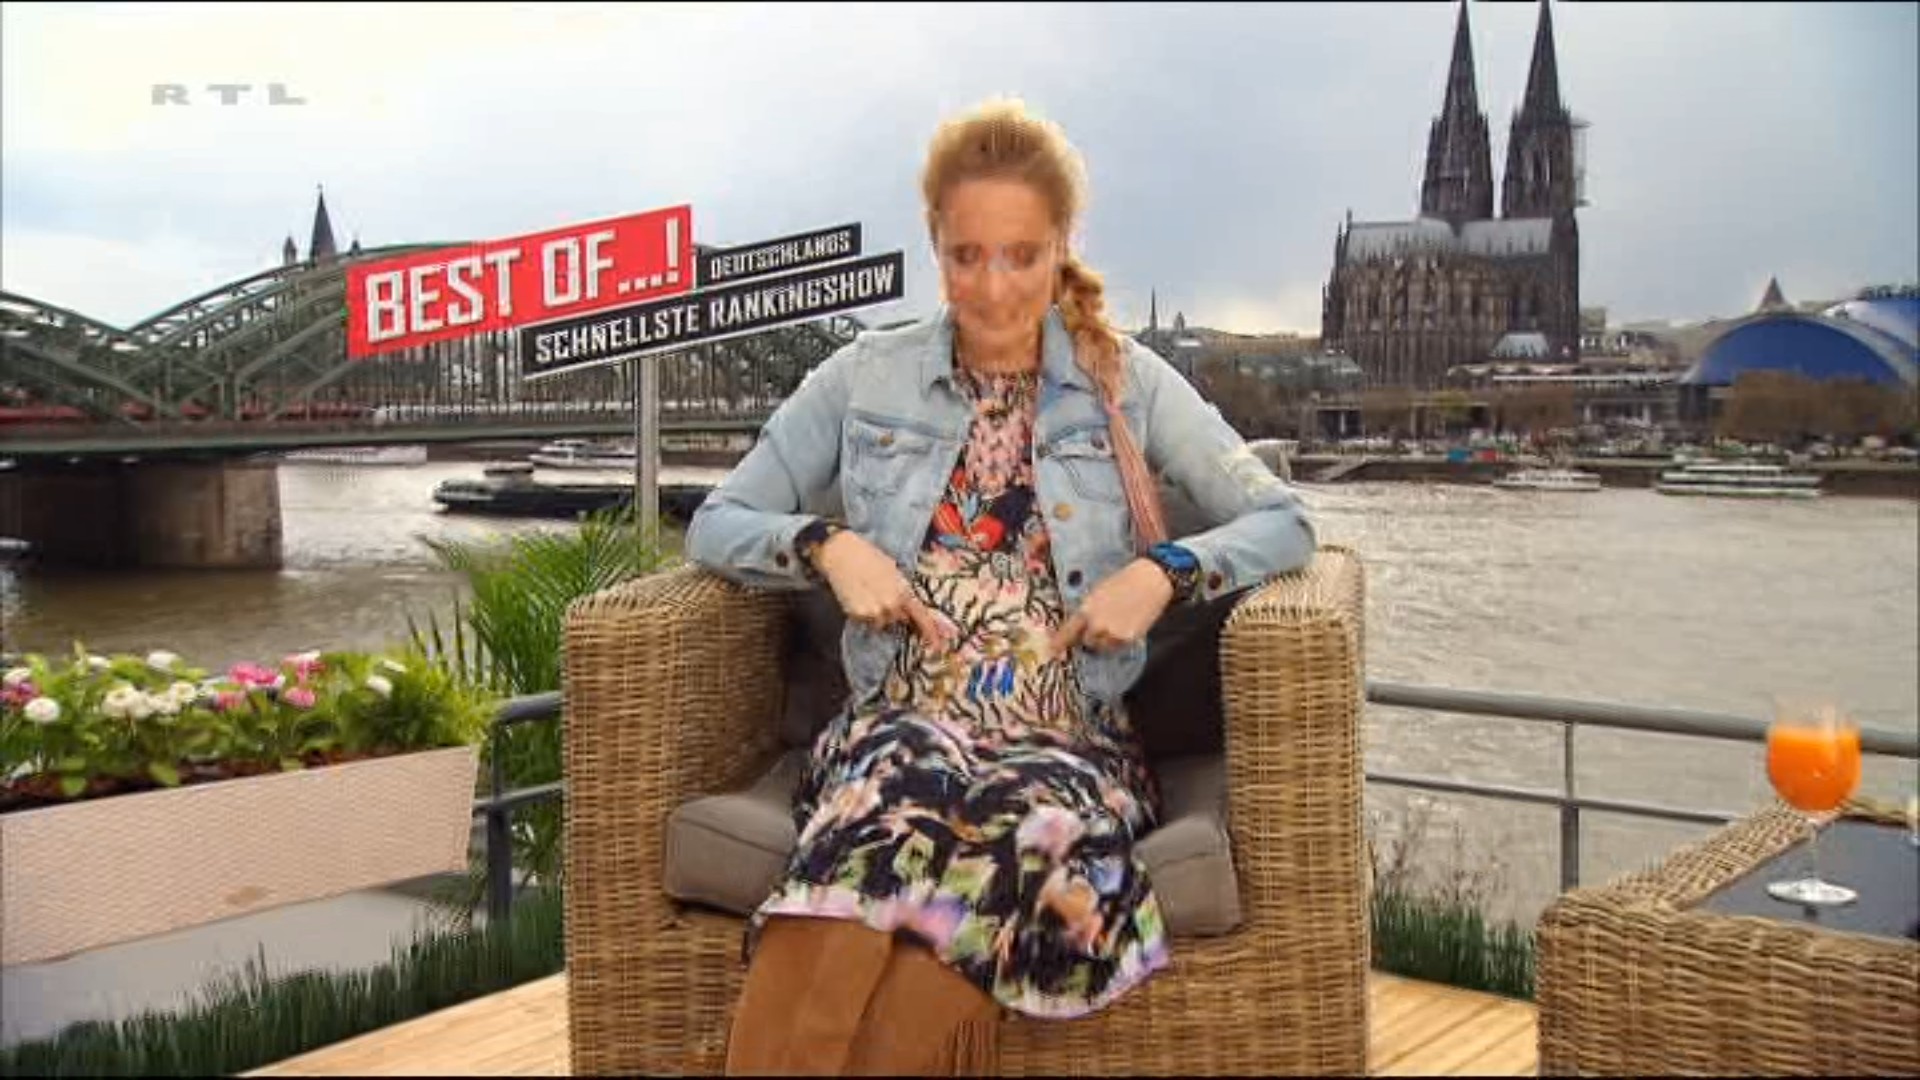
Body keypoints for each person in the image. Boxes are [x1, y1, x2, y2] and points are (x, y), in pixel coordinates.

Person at [685, 97, 1317, 1076]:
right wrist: (826, 546)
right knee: (883, 826)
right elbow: (718, 521)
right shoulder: (866, 376)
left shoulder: (1128, 382)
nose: (992, 288)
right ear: (935, 246)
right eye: (966, 256)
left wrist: (1164, 573)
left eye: (1022, 256)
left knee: (1013, 840)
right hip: (900, 724)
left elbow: (1285, 521)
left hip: (1066, 743)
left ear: (1063, 248)